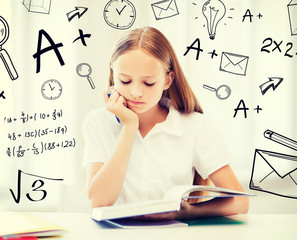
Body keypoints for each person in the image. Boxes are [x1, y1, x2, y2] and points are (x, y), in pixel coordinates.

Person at [83, 26, 249, 220]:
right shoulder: (97, 122)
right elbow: (98, 202)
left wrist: (190, 212)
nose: (136, 92)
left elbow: (240, 202)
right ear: (113, 76)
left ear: (167, 80)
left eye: (149, 83)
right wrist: (129, 127)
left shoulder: (196, 126)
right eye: (125, 81)